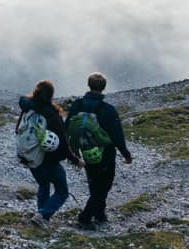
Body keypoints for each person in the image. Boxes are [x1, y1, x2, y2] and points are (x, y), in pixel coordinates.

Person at [65, 72, 132, 230]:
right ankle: (85, 217)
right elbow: (117, 135)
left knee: (94, 183)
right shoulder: (108, 110)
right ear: (103, 88)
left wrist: (70, 151)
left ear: (89, 85)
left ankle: (100, 214)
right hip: (106, 153)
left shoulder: (77, 105)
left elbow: (66, 126)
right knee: (104, 186)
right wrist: (126, 154)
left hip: (85, 150)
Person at [17, 80, 78, 225]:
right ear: (51, 95)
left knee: (43, 184)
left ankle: (40, 217)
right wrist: (76, 160)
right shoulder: (52, 114)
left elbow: (18, 130)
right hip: (49, 160)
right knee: (62, 191)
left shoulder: (27, 108)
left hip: (29, 156)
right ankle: (43, 215)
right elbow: (63, 143)